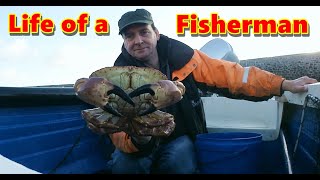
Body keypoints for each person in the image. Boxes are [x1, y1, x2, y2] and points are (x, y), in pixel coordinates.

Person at [100, 8, 317, 174]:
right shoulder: (115, 78)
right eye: (129, 36)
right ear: (124, 42)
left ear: (156, 33)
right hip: (139, 143)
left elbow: (233, 75)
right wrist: (139, 140)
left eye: (144, 32)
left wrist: (282, 84)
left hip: (178, 137)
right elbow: (114, 127)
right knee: (122, 164)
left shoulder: (186, 60)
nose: (138, 40)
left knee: (181, 158)